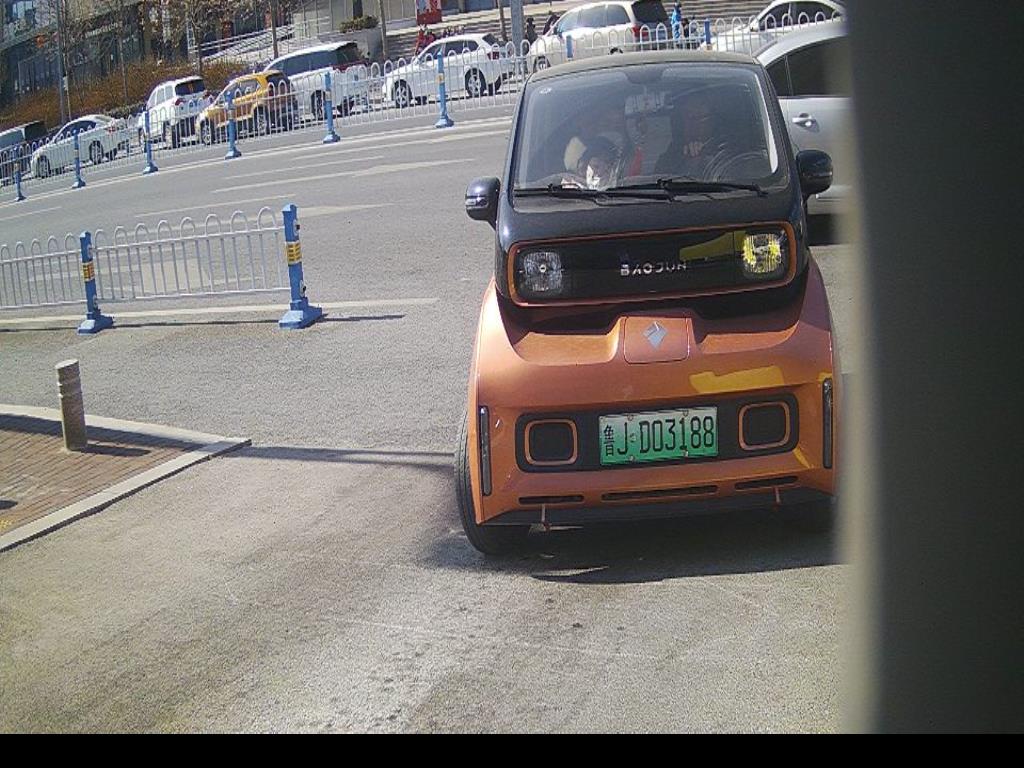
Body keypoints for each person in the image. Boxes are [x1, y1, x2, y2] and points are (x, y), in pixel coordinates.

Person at [656, 92, 727, 178]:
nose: (691, 125)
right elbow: (659, 180)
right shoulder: (672, 154)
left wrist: (703, 159)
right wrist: (688, 162)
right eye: (686, 117)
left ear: (712, 121)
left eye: (698, 117)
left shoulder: (726, 151)